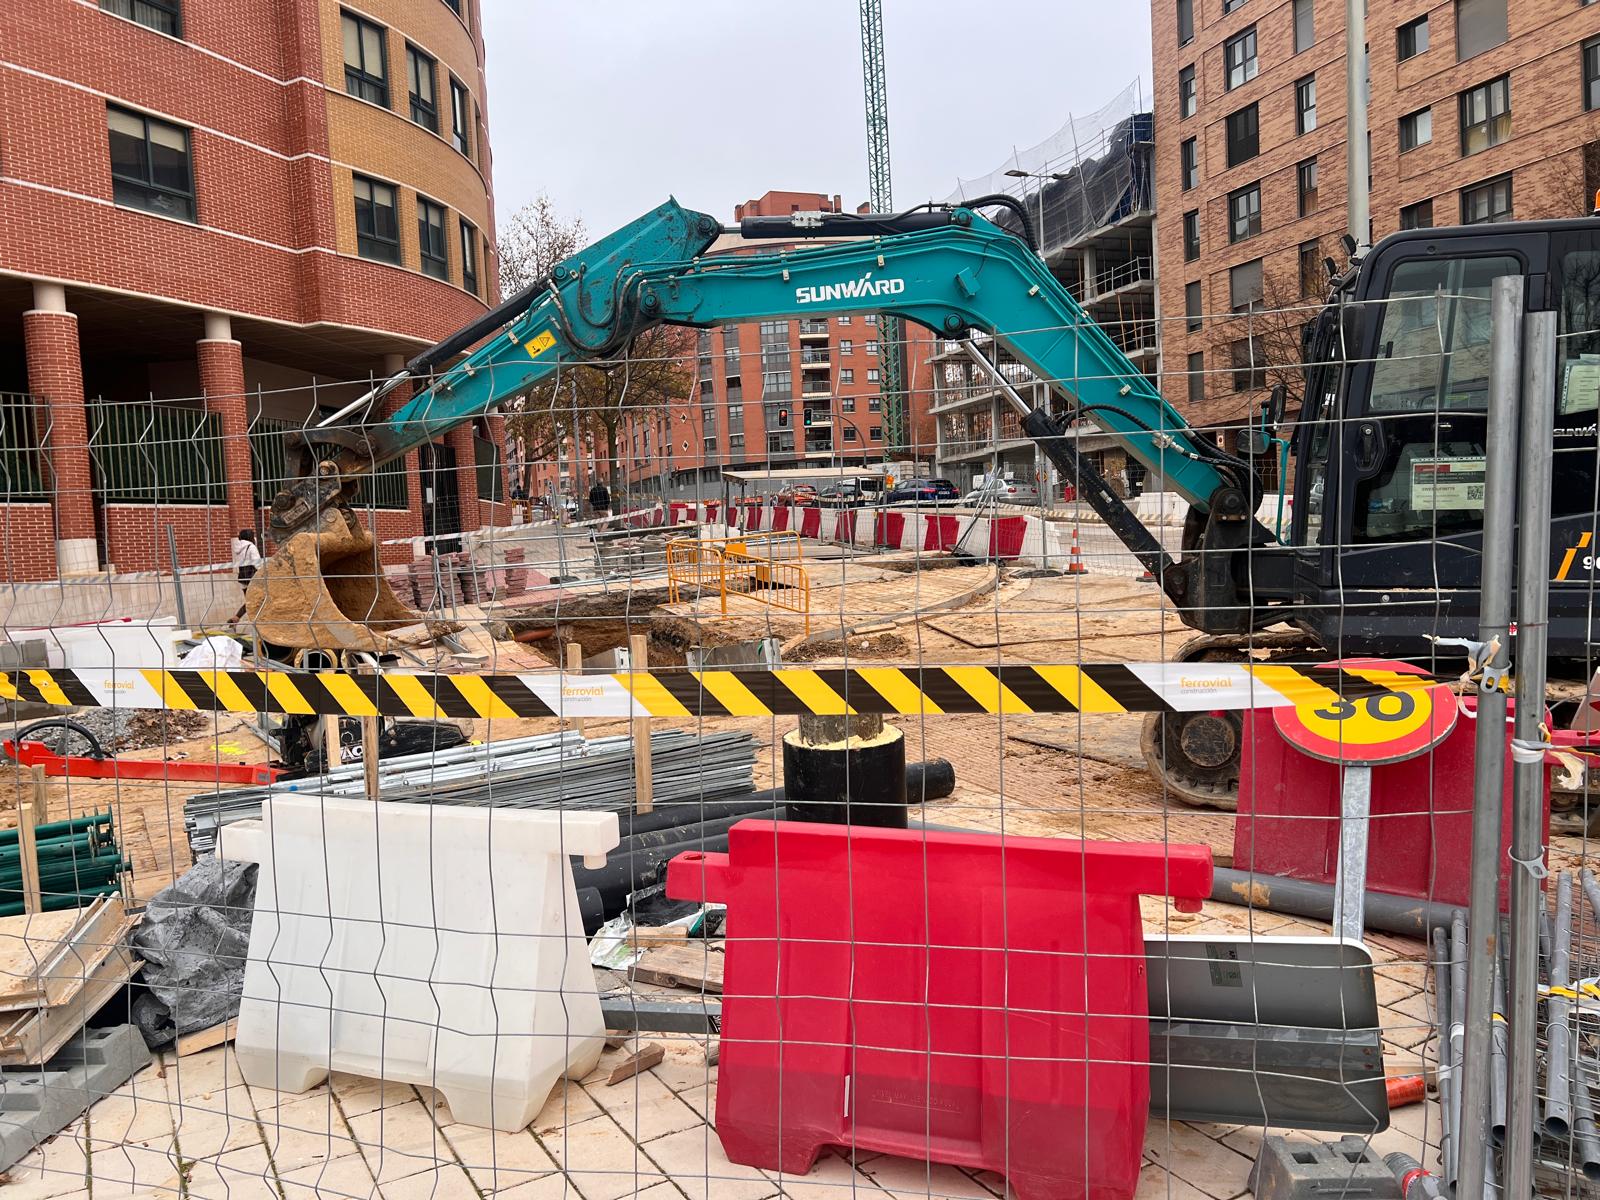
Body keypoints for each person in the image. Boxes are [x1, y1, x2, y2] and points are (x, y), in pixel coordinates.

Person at [228, 528, 262, 627]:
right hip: (252, 578)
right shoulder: (251, 547)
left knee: (250, 601)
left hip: (243, 577)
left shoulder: (238, 548)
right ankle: (257, 623)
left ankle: (236, 618)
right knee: (258, 600)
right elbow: (257, 563)